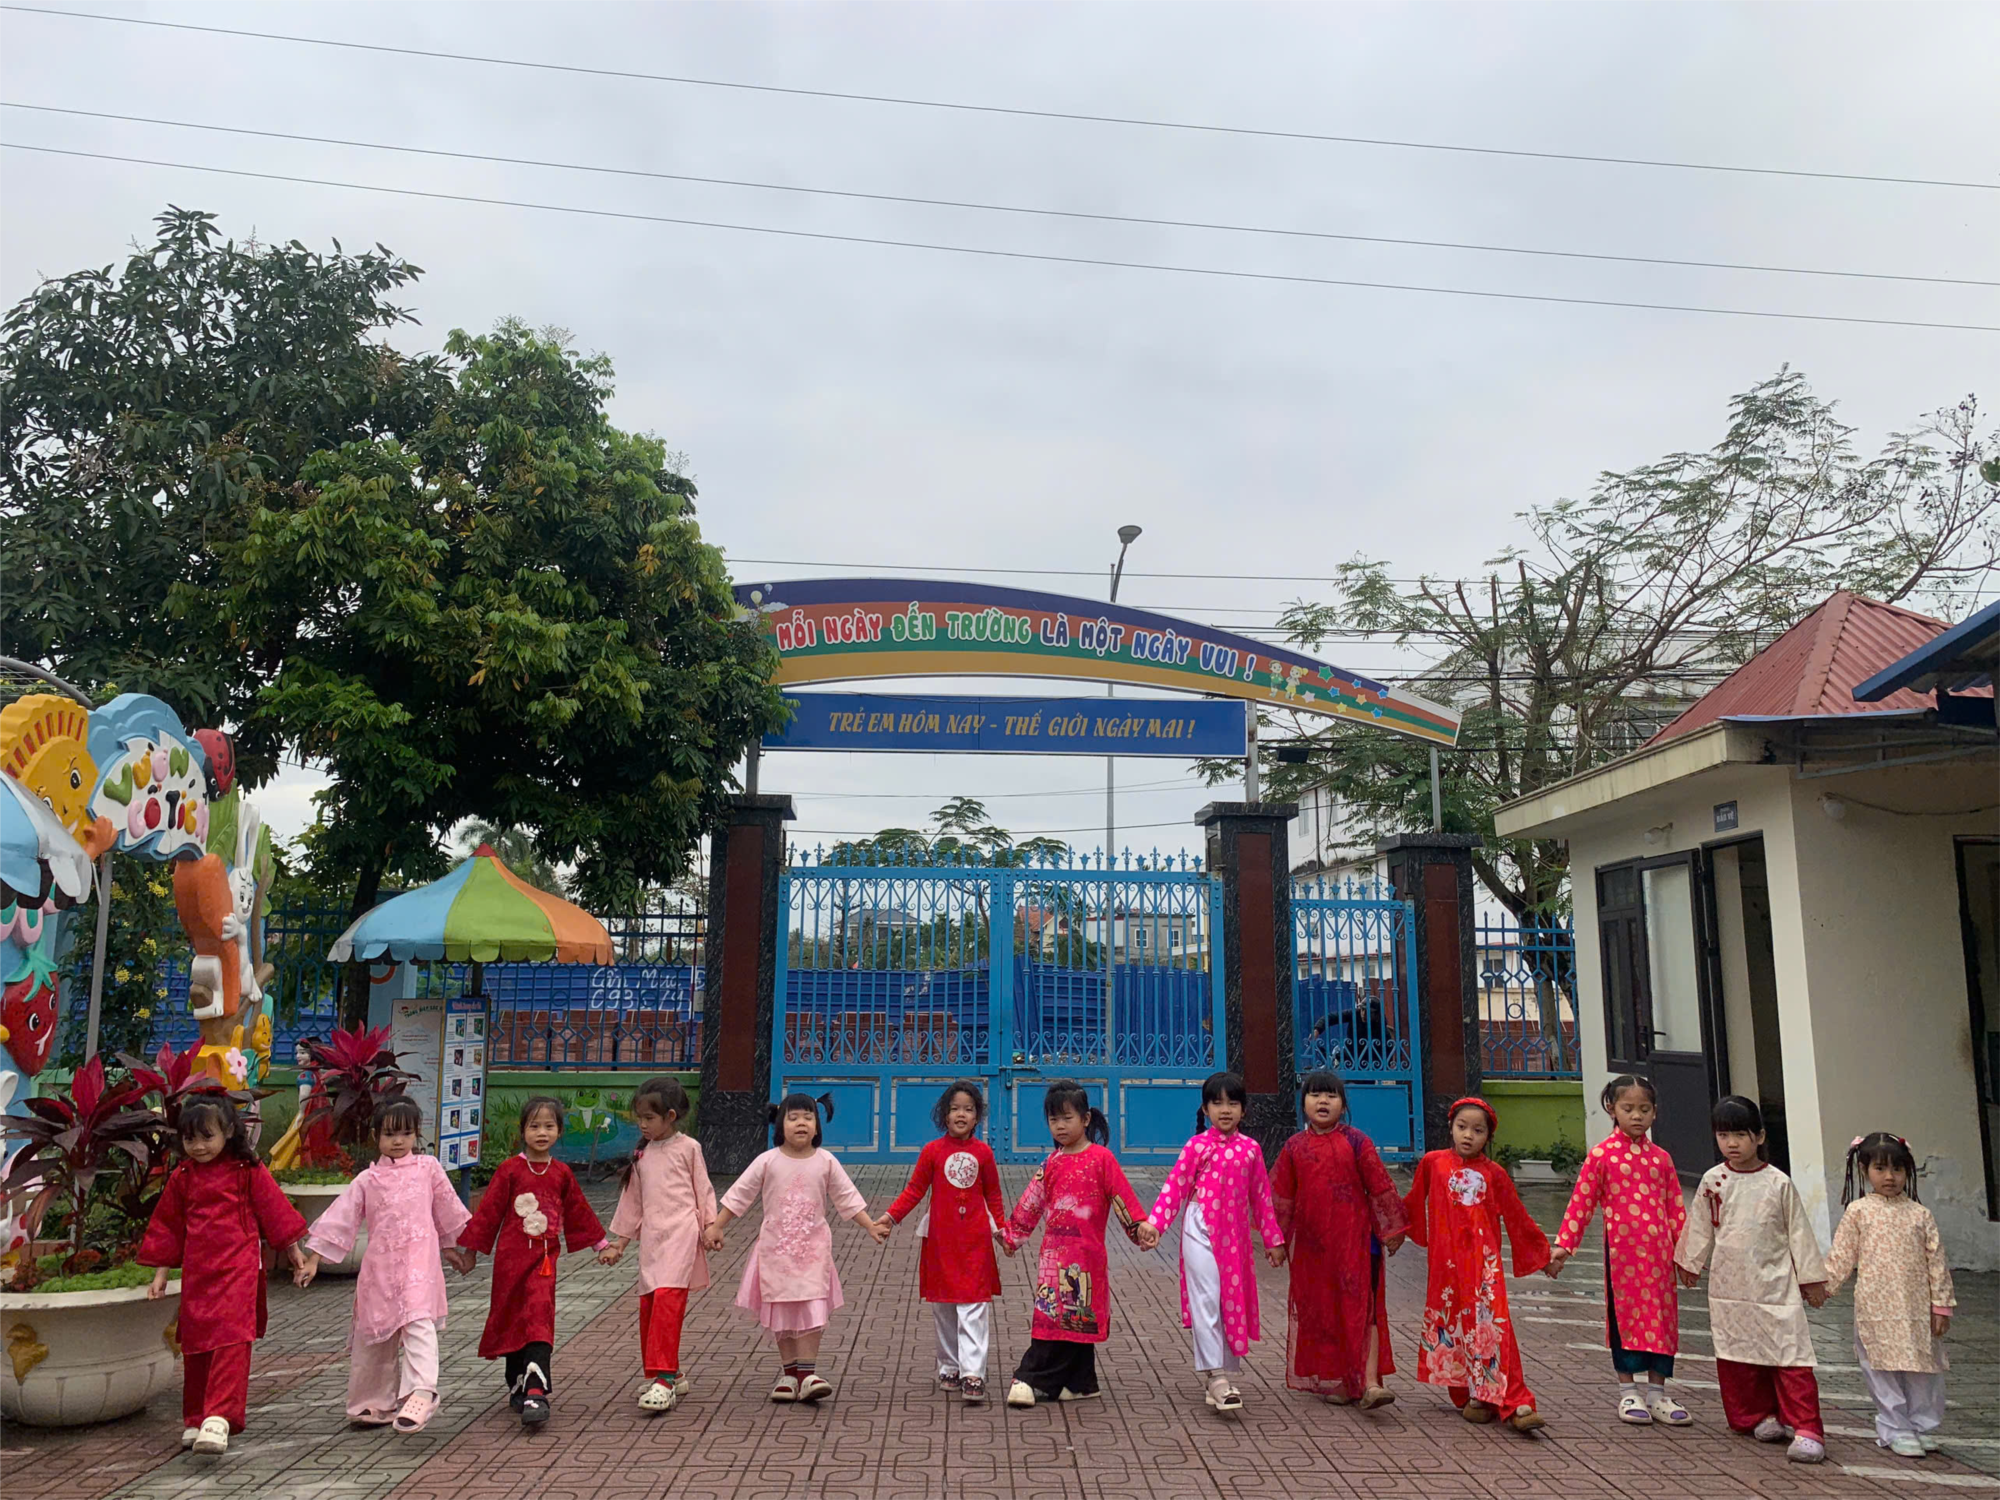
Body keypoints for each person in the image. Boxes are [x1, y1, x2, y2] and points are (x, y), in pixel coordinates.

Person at [138, 1094, 309, 1458]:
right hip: (198, 1274)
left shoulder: (248, 1171)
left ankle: (220, 1416)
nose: (199, 1146)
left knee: (232, 1339)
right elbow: (169, 1226)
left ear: (229, 1131)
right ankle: (197, 1416)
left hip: (239, 1270)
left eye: (207, 1136)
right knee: (197, 1343)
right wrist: (160, 1274)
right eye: (190, 1139)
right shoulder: (183, 1177)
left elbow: (274, 1210)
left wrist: (294, 1252)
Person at [295, 1096, 471, 1433]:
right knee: (373, 1335)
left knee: (418, 1324)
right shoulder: (367, 1180)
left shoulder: (428, 1169)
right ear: (376, 1136)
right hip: (379, 1271)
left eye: (406, 1133)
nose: (398, 1141)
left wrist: (452, 1248)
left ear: (416, 1134)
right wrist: (314, 1259)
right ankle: (372, 1404)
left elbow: (447, 1210)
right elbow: (340, 1219)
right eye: (390, 1134)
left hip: (419, 1267)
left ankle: (421, 1393)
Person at [1674, 1095, 1829, 1465]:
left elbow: (1799, 1233)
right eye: (1723, 1135)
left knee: (1789, 1352)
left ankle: (1807, 1428)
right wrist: (1690, 1262)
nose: (1731, 1144)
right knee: (1737, 1352)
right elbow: (1700, 1225)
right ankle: (1757, 1416)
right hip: (1730, 1284)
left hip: (1776, 1284)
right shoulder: (1713, 1181)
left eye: (1740, 1135)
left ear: (1759, 1136)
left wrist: (1811, 1279)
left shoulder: (1779, 1183)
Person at [704, 1093, 884, 1403]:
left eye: (808, 1117)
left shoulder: (826, 1161)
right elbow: (740, 1194)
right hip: (775, 1252)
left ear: (817, 1126)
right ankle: (789, 1374)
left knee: (812, 1307)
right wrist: (717, 1225)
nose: (801, 1123)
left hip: (813, 1253)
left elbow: (847, 1197)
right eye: (793, 1117)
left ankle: (808, 1374)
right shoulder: (767, 1161)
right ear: (779, 1124)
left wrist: (869, 1225)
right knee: (782, 1309)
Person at [452, 1095, 608, 1427]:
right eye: (534, 1126)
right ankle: (517, 1381)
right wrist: (470, 1253)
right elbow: (488, 1213)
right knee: (512, 1316)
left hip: (543, 1263)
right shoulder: (509, 1170)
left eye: (549, 1126)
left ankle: (537, 1390)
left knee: (538, 1316)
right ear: (522, 1130)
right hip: (510, 1264)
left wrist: (601, 1245)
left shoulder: (562, 1173)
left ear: (560, 1131)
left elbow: (579, 1211)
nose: (542, 1132)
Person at [1138, 1071, 1286, 1414]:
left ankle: (1222, 1375)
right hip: (1199, 1229)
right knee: (1206, 1297)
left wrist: (1273, 1239)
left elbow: (1262, 1199)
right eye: (1217, 1103)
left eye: (1233, 1103)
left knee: (1229, 1300)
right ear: (1205, 1109)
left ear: (1244, 1110)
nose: (1225, 1110)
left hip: (1234, 1237)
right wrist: (1155, 1224)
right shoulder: (1197, 1146)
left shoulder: (1251, 1150)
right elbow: (1175, 1186)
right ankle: (1216, 1377)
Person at [1547, 1075, 1690, 1426]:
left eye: (1644, 1109)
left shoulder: (1662, 1159)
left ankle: (1657, 1393)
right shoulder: (1601, 1156)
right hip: (1622, 1258)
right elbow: (1581, 1203)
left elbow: (1676, 1209)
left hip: (1660, 1259)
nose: (1637, 1116)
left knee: (1662, 1320)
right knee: (1624, 1320)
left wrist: (1687, 1256)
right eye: (1628, 1108)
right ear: (1611, 1109)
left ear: (1655, 1112)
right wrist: (1564, 1245)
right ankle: (1628, 1391)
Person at [1403, 1096, 1551, 1433]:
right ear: (1451, 1128)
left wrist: (1543, 1256)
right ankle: (1474, 1395)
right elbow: (1413, 1202)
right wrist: (1396, 1232)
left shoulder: (1495, 1174)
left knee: (1494, 1328)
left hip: (1484, 1267)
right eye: (1462, 1127)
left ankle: (1517, 1401)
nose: (1468, 1135)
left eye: (1478, 1130)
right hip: (1446, 1266)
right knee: (1454, 1323)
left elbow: (1517, 1217)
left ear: (1488, 1136)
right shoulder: (1433, 1163)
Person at [1002, 1079, 1149, 1409]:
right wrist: (1012, 1236)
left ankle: (1032, 1378)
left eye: (1067, 1118)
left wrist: (1140, 1228)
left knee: (1077, 1318)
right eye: (1053, 1119)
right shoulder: (1051, 1163)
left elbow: (1122, 1199)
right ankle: (1079, 1383)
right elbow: (1030, 1204)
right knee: (1050, 1316)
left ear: (1085, 1119)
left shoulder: (1102, 1159)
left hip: (1086, 1257)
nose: (1060, 1126)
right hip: (1052, 1259)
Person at [1268, 1069, 1409, 1408]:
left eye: (1331, 1096)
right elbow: (1281, 1197)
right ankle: (1344, 1381)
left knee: (1364, 1310)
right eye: (1315, 1095)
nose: (1323, 1101)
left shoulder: (1357, 1141)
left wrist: (1392, 1229)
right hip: (1314, 1249)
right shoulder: (1294, 1147)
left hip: (1359, 1243)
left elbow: (1380, 1185)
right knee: (1325, 1311)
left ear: (1343, 1106)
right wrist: (1276, 1241)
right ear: (1303, 1103)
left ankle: (1371, 1383)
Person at [1825, 1131, 1955, 1460]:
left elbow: (1937, 1262)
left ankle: (1921, 1425)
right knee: (1881, 1367)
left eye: (1898, 1169)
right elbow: (1841, 1257)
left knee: (1922, 1369)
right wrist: (1821, 1289)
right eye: (1880, 1169)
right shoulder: (1858, 1212)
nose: (1890, 1177)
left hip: (1916, 1309)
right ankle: (1895, 1427)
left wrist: (1941, 1306)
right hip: (1875, 1308)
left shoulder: (1920, 1215)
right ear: (1864, 1170)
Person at [880, 1079, 1009, 1403]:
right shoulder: (932, 1152)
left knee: (974, 1305)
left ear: (977, 1116)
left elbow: (993, 1194)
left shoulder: (984, 1153)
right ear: (944, 1115)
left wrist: (1003, 1231)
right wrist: (891, 1217)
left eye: (968, 1109)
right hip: (940, 1242)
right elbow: (915, 1190)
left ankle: (973, 1373)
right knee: (944, 1307)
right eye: (954, 1109)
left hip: (975, 1243)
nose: (961, 1115)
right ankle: (949, 1366)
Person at [600, 1076, 717, 1414]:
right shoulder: (642, 1154)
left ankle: (663, 1380)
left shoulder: (689, 1148)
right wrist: (620, 1243)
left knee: (667, 1301)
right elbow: (632, 1202)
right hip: (652, 1242)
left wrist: (710, 1227)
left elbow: (703, 1189)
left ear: (670, 1116)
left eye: (649, 1118)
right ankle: (670, 1373)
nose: (642, 1124)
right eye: (639, 1118)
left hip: (681, 1236)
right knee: (650, 1305)